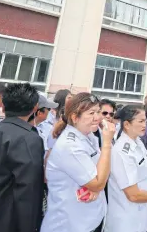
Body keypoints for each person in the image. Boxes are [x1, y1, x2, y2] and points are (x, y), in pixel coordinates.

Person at [41, 93, 116, 232]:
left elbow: (102, 171)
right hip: (70, 224)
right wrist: (106, 143)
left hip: (89, 219)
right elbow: (98, 182)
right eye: (91, 113)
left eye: (98, 111)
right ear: (75, 118)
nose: (98, 117)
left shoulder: (89, 136)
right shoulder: (70, 145)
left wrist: (95, 184)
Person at [0, 83, 44, 232]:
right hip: (5, 221)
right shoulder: (30, 139)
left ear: (4, 107)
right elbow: (28, 190)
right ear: (35, 108)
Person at [105, 105, 147, 232]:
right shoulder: (122, 151)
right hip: (126, 221)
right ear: (126, 124)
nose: (145, 125)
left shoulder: (138, 142)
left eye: (145, 121)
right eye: (141, 121)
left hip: (142, 218)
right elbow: (133, 195)